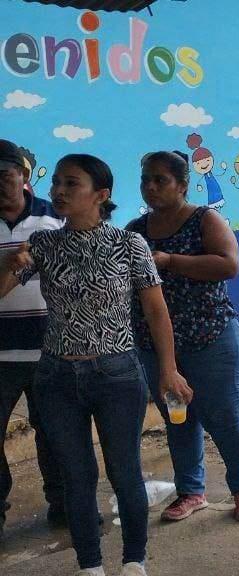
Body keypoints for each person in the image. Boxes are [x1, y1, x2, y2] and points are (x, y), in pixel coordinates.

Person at [0, 154, 191, 576]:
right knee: (76, 477)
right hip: (56, 377)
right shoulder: (45, 245)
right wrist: (13, 264)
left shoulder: (129, 245)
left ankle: (134, 560)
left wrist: (168, 369)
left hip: (117, 374)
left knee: (124, 472)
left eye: (72, 184)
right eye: (58, 184)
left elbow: (156, 312)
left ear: (101, 195)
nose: (60, 192)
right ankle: (90, 565)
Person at [125, 151, 239, 523]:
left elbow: (229, 264)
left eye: (160, 180)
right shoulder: (136, 231)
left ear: (183, 185)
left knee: (222, 415)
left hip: (210, 335)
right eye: (146, 180)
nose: (151, 187)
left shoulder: (205, 219)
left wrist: (171, 261)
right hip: (157, 343)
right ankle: (190, 491)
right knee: (178, 417)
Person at [0, 139, 65, 540]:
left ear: (24, 177)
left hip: (51, 349)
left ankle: (63, 506)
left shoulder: (55, 218)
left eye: (5, 175)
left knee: (57, 433)